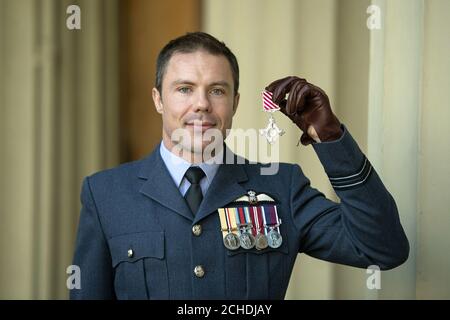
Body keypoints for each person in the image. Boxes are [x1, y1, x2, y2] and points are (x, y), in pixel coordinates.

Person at [70, 32, 409, 300]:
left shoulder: (281, 186)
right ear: (158, 98)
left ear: (235, 102)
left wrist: (332, 137)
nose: (201, 104)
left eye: (216, 90)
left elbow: (382, 248)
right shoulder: (106, 194)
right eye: (184, 89)